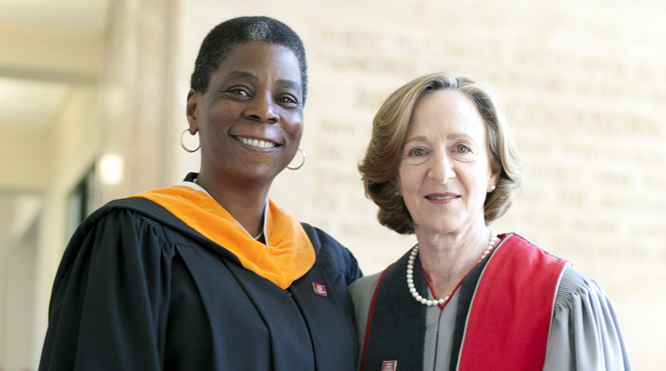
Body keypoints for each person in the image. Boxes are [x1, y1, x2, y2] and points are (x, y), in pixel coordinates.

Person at [39, 16, 361, 371]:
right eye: (240, 91)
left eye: (286, 99)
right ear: (193, 108)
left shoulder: (331, 264)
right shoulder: (134, 240)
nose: (266, 111)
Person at [351, 72, 632, 371]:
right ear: (394, 176)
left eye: (461, 148)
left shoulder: (561, 300)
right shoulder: (365, 303)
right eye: (418, 152)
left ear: (493, 171)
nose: (441, 172)